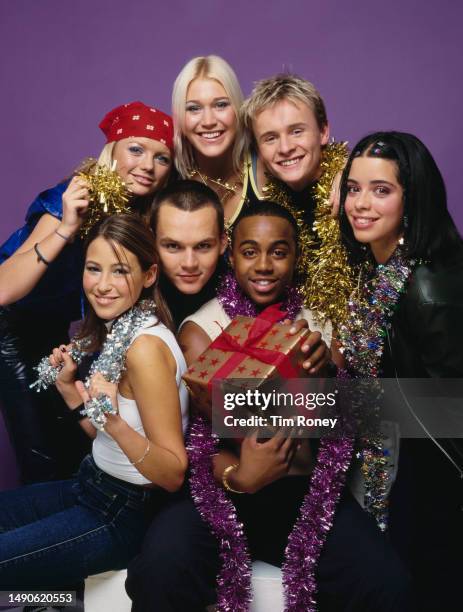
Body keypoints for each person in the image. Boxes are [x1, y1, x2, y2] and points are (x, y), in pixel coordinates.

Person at [126, 202, 412, 612]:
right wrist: (241, 477)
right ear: (231, 254)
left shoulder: (318, 326)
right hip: (221, 489)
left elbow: (347, 419)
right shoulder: (201, 329)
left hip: (303, 495)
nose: (263, 265)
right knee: (159, 567)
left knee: (388, 582)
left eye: (278, 251)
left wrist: (326, 371)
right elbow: (197, 435)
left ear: (296, 256)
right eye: (249, 251)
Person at [0, 214, 188, 590]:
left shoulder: (144, 348)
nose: (102, 286)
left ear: (149, 275)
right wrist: (71, 389)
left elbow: (172, 473)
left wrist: (113, 418)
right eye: (93, 269)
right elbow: (101, 434)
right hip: (90, 484)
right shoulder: (120, 327)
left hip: (120, 512)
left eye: (119, 271)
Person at [0, 100, 174, 483]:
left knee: (84, 442)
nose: (147, 165)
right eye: (136, 149)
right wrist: (66, 228)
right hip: (13, 330)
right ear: (112, 150)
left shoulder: (141, 212)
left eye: (162, 158)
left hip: (65, 334)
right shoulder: (74, 196)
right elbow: (3, 290)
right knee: (41, 454)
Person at [338, 131, 463, 611]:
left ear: (413, 198)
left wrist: (303, 405)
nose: (360, 204)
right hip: (395, 463)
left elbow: (451, 415)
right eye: (352, 188)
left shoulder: (426, 285)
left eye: (381, 190)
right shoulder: (384, 266)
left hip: (435, 487)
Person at [241, 74, 353, 326]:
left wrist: (353, 171)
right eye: (270, 138)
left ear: (323, 132)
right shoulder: (267, 208)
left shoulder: (353, 190)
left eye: (296, 131)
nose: (285, 147)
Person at [172, 55, 248, 224]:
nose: (208, 122)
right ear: (179, 117)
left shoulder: (266, 170)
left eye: (221, 105)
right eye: (193, 108)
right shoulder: (168, 181)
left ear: (237, 108)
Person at [149, 180, 227, 328]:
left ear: (223, 243)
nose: (189, 264)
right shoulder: (132, 294)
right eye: (173, 246)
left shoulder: (246, 294)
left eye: (203, 246)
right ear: (152, 241)